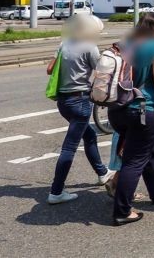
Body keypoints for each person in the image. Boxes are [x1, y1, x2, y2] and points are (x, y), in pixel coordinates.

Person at [105, 11, 154, 199]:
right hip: (142, 109)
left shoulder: (124, 44)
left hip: (117, 108)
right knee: (134, 160)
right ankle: (122, 209)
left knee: (150, 150)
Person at [47, 15, 114, 204]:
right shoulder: (89, 48)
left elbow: (50, 69)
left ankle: (102, 173)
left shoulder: (64, 44)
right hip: (81, 101)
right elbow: (102, 71)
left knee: (90, 135)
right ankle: (56, 191)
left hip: (63, 102)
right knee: (69, 147)